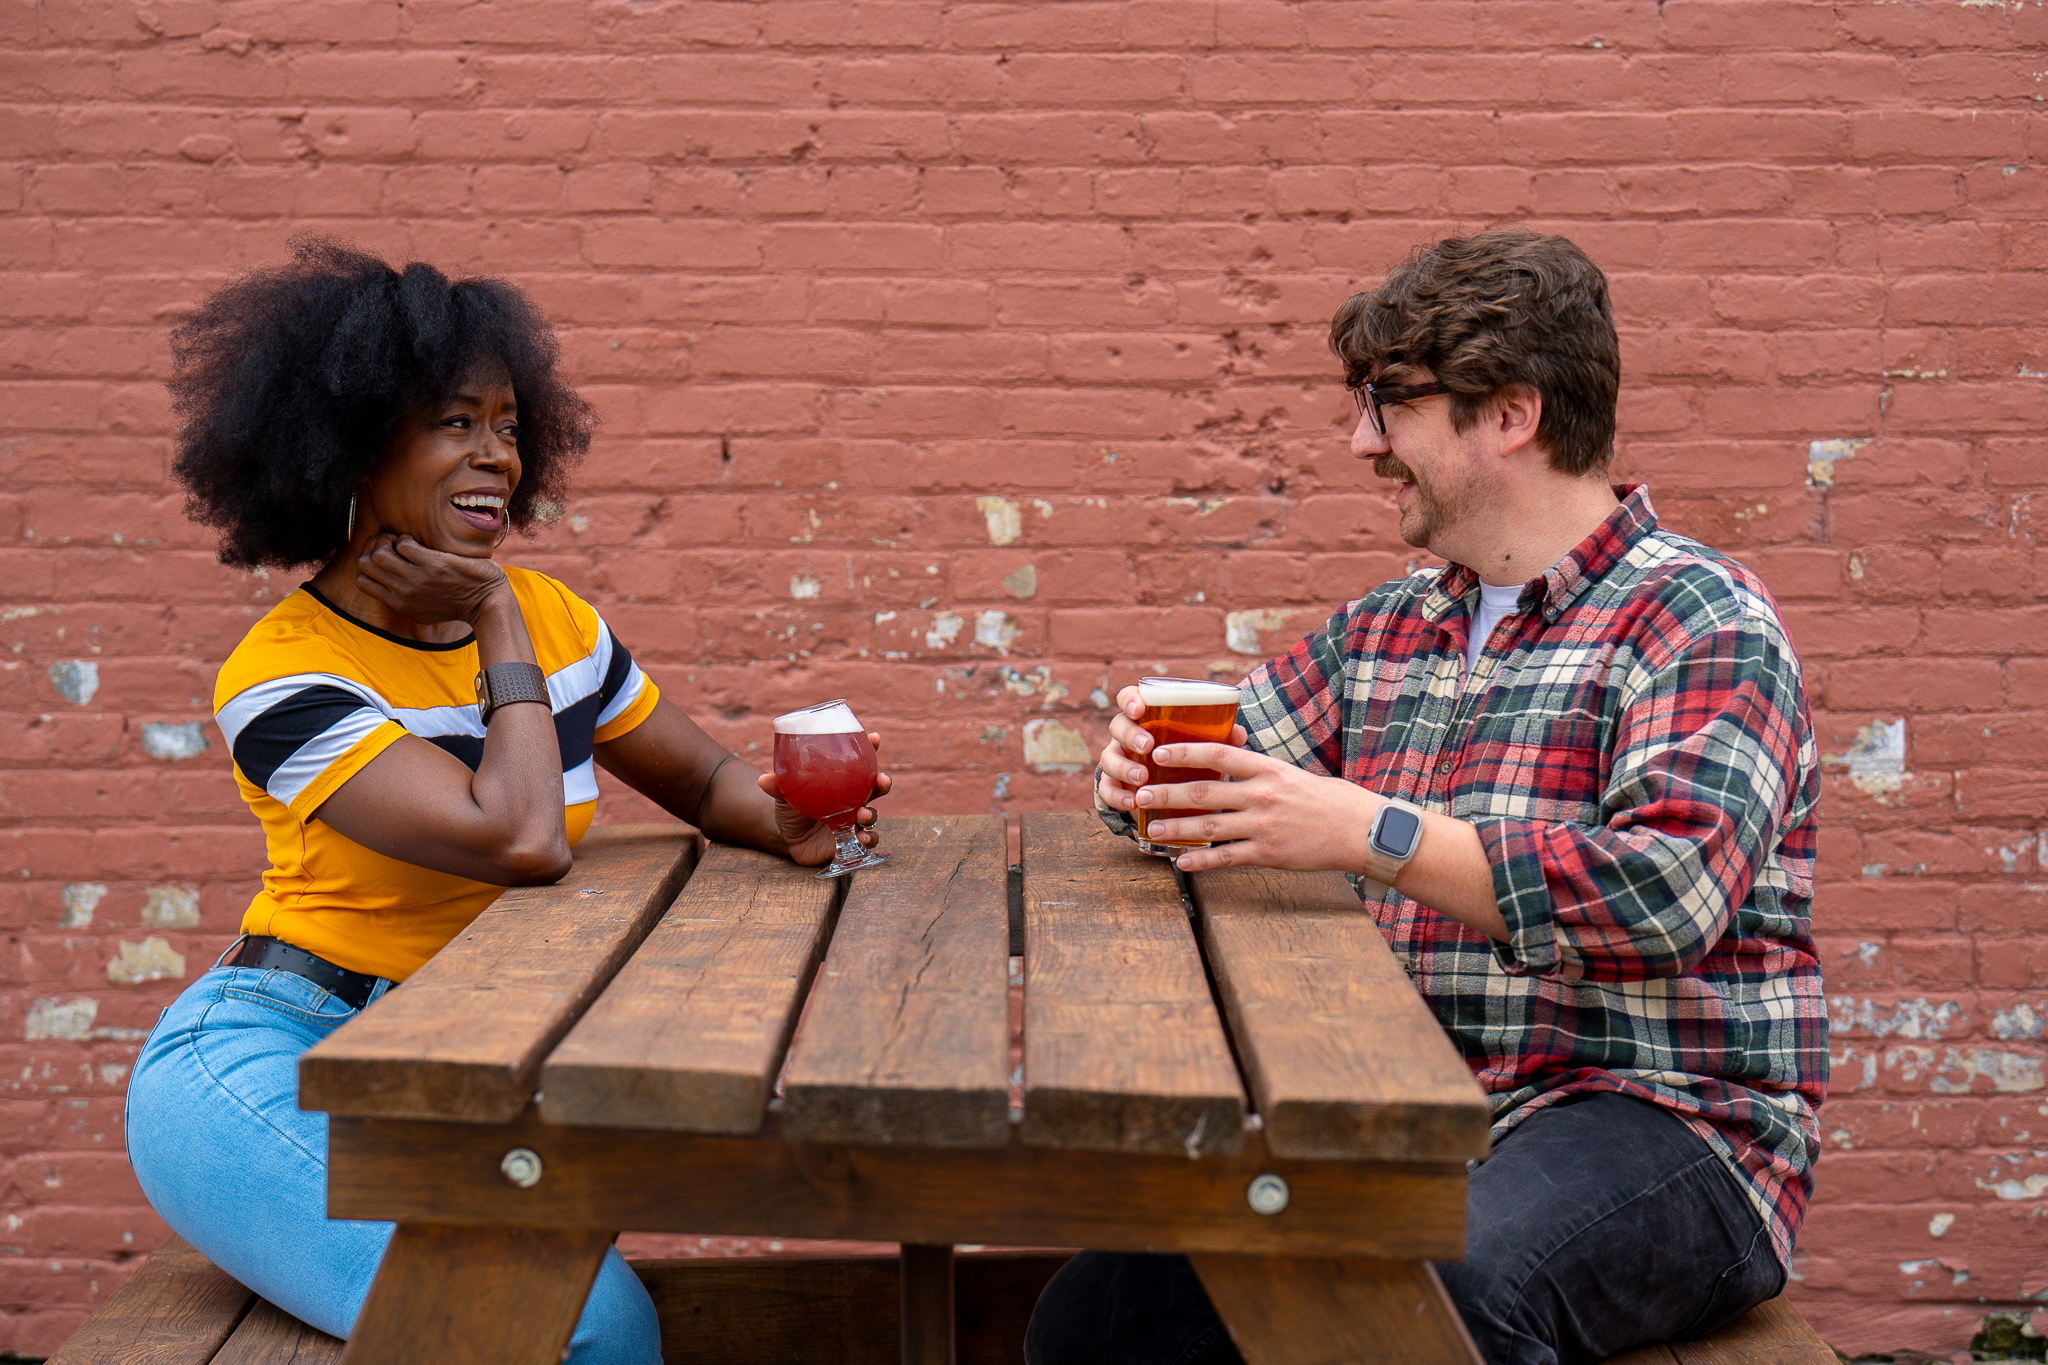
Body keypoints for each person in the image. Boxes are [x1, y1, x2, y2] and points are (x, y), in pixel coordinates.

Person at [1039, 230, 1826, 1365]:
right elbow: (1206, 784)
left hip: (1665, 1124)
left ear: (1508, 414)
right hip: (1417, 1116)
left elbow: (1664, 896)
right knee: (1102, 1313)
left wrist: (1365, 829)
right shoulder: (1393, 625)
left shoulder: (1700, 618)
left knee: (1444, 1302)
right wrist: (1135, 781)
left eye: (1386, 404)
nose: (1359, 441)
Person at [125, 239, 888, 1365]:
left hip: (461, 1063)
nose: (496, 458)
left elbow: (706, 779)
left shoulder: (554, 620)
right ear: (348, 443)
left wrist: (785, 819)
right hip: (274, 1062)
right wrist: (492, 622)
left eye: (508, 426)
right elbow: (519, 838)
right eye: (452, 423)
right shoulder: (286, 676)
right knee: (582, 1328)